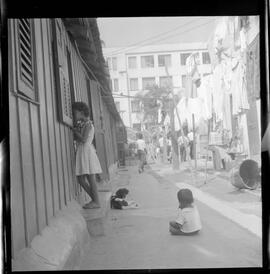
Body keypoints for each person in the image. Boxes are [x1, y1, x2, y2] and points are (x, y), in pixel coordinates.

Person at [72, 102, 102, 209]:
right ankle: (95, 200)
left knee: (90, 178)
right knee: (81, 178)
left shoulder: (88, 124)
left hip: (86, 151)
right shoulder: (84, 124)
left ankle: (96, 201)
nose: (73, 115)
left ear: (81, 112)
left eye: (75, 113)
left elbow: (84, 139)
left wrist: (75, 131)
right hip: (83, 151)